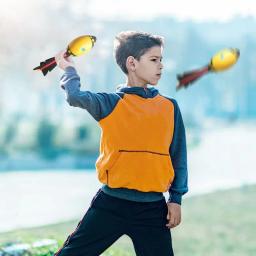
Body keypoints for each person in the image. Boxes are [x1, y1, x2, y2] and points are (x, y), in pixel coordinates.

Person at [54, 31, 188, 256]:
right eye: (154, 60)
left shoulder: (169, 107)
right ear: (132, 63)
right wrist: (68, 69)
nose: (161, 66)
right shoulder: (110, 103)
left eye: (161, 60)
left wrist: (176, 198)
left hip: (153, 209)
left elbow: (178, 156)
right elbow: (74, 96)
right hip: (111, 204)